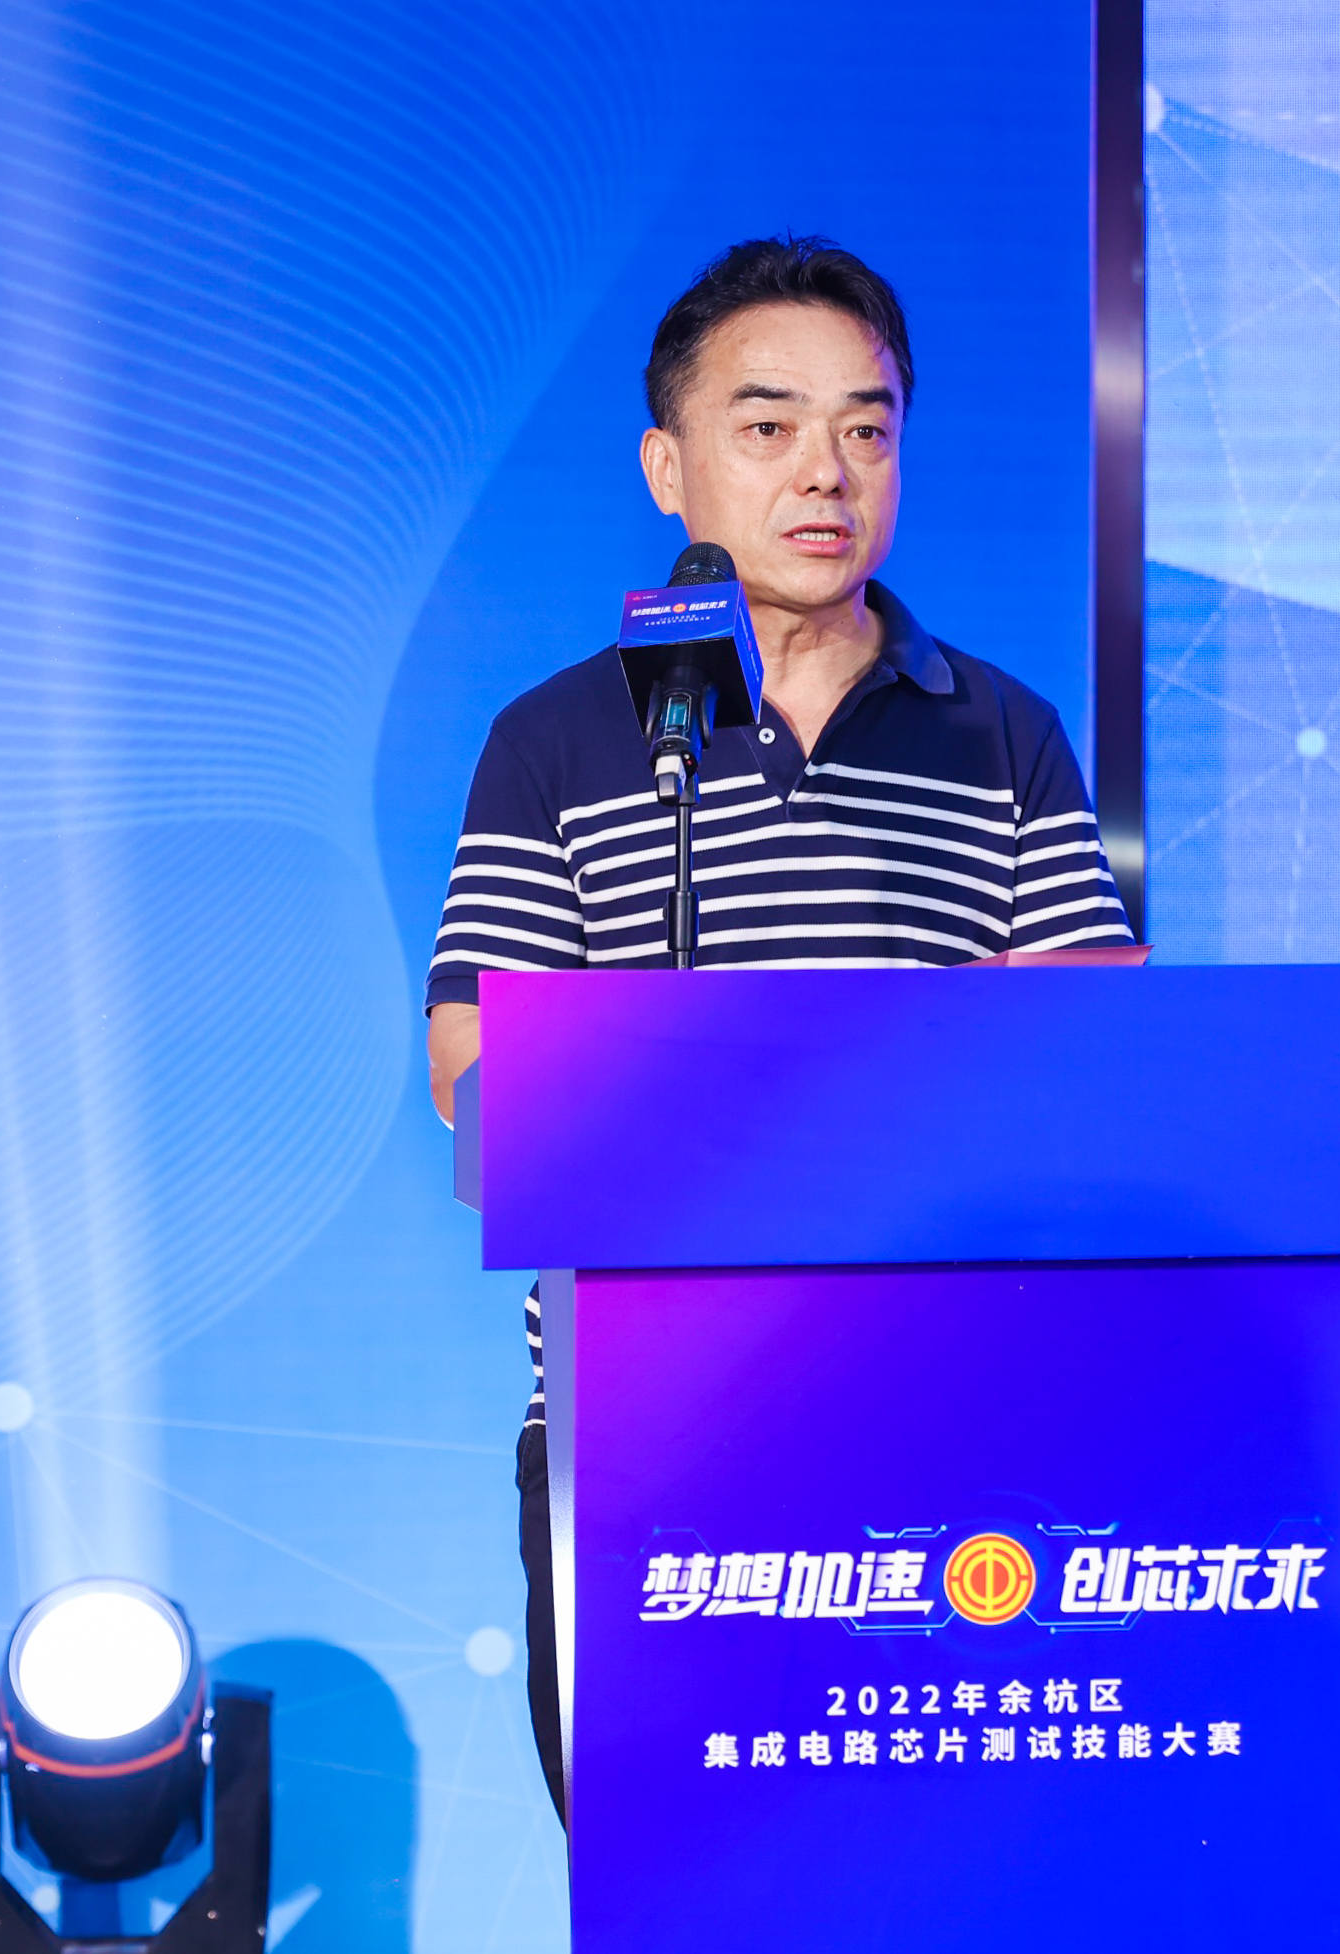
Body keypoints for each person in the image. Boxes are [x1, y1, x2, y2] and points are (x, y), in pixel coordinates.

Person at [419, 236, 1132, 1826]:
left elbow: (1091, 1058)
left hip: (955, 1402)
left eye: (867, 428)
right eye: (769, 425)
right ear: (670, 468)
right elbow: (477, 1076)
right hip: (637, 1420)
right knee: (681, 1878)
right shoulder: (556, 737)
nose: (827, 470)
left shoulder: (1003, 731)